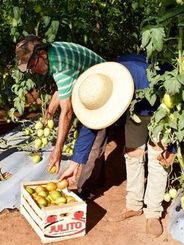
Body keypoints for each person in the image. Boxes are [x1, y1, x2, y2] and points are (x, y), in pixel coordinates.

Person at [60, 54, 176, 238]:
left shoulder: (148, 77)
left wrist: (173, 147)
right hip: (135, 111)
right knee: (133, 154)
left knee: (158, 159)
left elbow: (178, 103)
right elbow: (91, 127)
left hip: (162, 110)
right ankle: (133, 205)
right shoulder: (104, 85)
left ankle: (153, 213)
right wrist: (75, 163)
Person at [15, 35, 108, 197]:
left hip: (104, 87)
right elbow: (62, 87)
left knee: (93, 135)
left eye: (32, 65)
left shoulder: (61, 65)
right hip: (91, 83)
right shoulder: (54, 53)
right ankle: (95, 179)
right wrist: (49, 113)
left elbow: (67, 113)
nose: (33, 71)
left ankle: (86, 189)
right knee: (88, 133)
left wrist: (57, 149)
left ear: (42, 55)